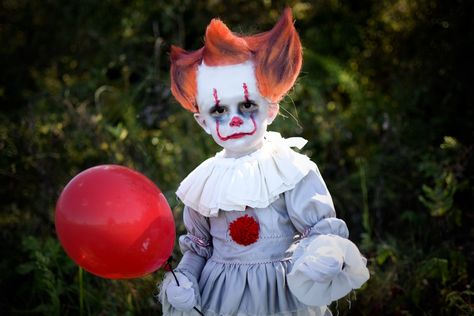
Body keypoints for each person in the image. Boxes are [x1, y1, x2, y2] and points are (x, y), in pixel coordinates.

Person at [159, 8, 369, 316]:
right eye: (219, 111)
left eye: (246, 105)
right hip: (221, 297)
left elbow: (319, 230)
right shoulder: (204, 183)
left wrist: (323, 252)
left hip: (282, 293)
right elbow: (198, 247)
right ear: (202, 121)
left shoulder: (289, 169)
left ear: (270, 109)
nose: (233, 120)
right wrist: (184, 279)